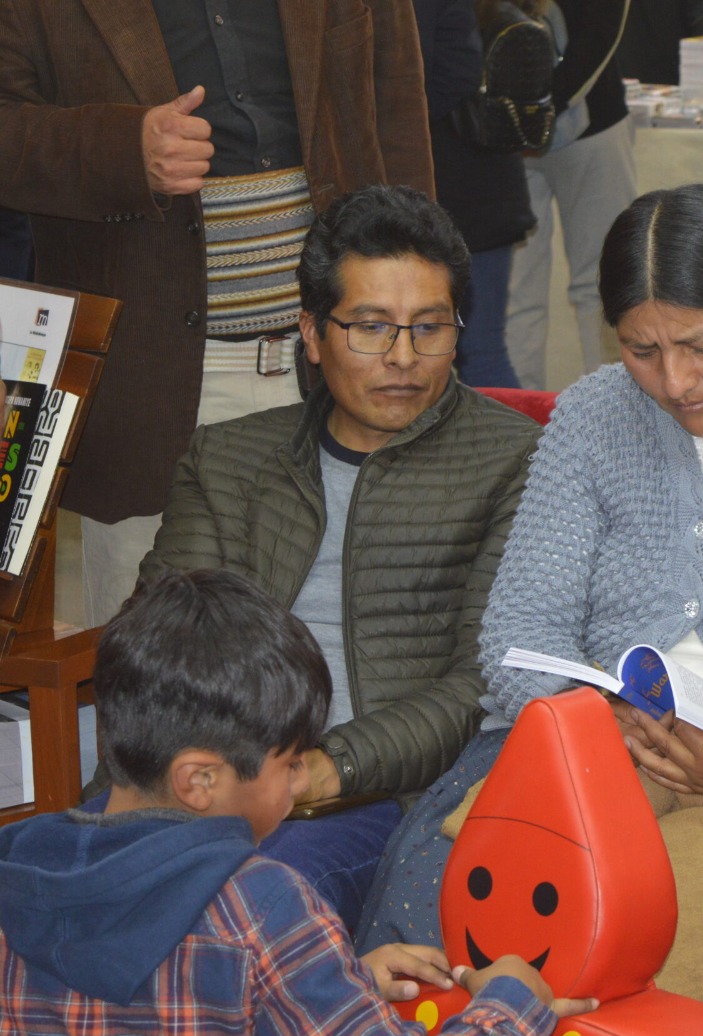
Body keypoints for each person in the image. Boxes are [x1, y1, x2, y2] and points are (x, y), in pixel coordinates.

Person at [359, 184, 703, 1012]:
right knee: (448, 930)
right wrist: (590, 726)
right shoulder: (593, 415)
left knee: (692, 963)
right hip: (576, 754)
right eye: (641, 350)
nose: (675, 380)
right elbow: (518, 633)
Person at [123, 184, 541, 932]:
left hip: (382, 796)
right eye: (372, 327)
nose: (404, 358)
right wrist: (227, 778)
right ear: (311, 333)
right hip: (212, 781)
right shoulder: (230, 458)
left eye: (430, 328)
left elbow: (484, 683)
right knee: (46, 884)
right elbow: (161, 648)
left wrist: (325, 767)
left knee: (242, 910)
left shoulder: (514, 459)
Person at [0, 568, 593, 1036]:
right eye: (289, 763)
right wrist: (509, 1005)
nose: (304, 780)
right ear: (200, 780)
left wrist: (339, 980)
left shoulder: (17, 864)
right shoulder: (262, 907)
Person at [0, 1, 434, 628]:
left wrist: (418, 318)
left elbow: (396, 109)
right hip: (157, 392)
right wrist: (124, 149)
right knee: (159, 673)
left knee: (351, 653)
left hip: (342, 372)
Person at [504, 0, 637, 388]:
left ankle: (611, 417)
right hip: (515, 137)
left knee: (602, 282)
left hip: (588, 128)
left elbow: (599, 37)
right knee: (519, 291)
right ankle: (517, 421)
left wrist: (537, 109)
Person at [413, 0, 537, 388]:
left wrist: (388, 113)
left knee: (480, 351)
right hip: (457, 195)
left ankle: (509, 451)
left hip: (474, 198)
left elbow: (456, 73)